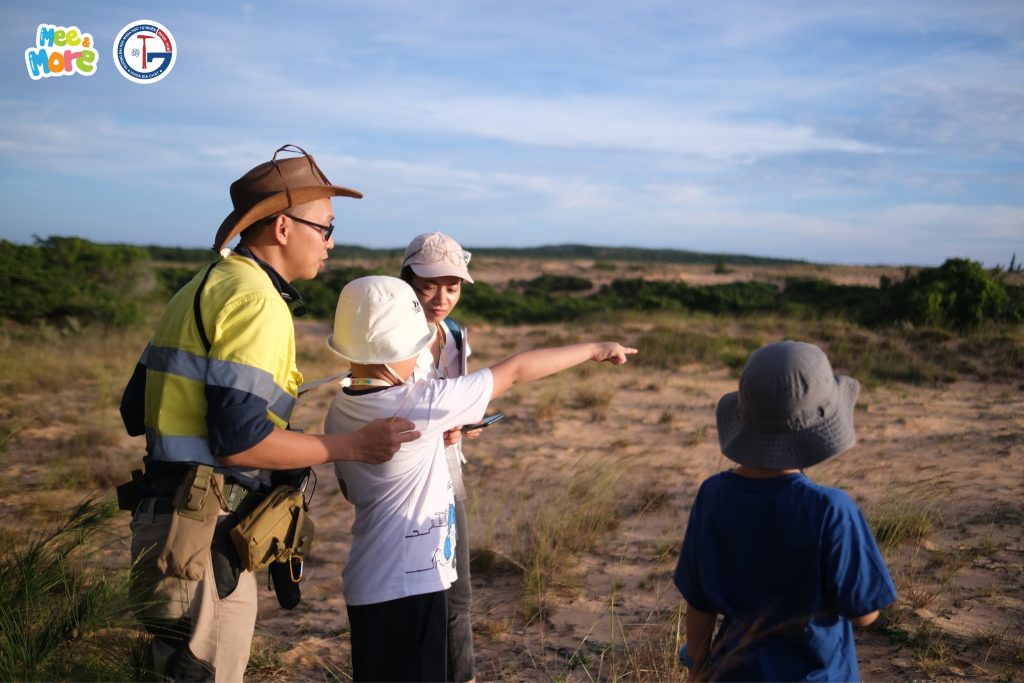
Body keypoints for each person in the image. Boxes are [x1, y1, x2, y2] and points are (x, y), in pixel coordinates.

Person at [118, 145, 420, 682]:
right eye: (326, 227)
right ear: (283, 227)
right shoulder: (259, 301)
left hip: (173, 527)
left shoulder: (204, 284)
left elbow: (134, 407)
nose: (331, 243)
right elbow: (240, 441)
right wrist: (351, 446)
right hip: (202, 537)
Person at [324, 276, 636, 682]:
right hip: (411, 587)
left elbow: (351, 491)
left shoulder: (339, 409)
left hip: (367, 582)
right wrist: (596, 349)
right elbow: (517, 371)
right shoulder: (424, 402)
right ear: (397, 351)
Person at [673, 340, 897, 682]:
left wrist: (697, 664)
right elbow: (865, 614)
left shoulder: (713, 494)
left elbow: (699, 603)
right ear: (818, 428)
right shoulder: (831, 509)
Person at [400, 231, 479, 683]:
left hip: (449, 474)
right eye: (430, 284)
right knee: (414, 596)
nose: (442, 297)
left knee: (459, 595)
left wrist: (462, 423)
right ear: (407, 280)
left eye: (452, 286)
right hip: (408, 482)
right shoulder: (388, 340)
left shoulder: (453, 337)